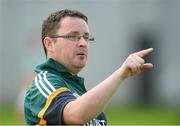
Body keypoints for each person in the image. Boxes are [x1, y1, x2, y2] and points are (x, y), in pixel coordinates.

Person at [24, 9, 154, 125]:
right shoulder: (44, 84)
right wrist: (120, 74)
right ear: (50, 44)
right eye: (73, 36)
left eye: (86, 37)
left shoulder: (80, 93)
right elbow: (76, 115)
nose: (82, 43)